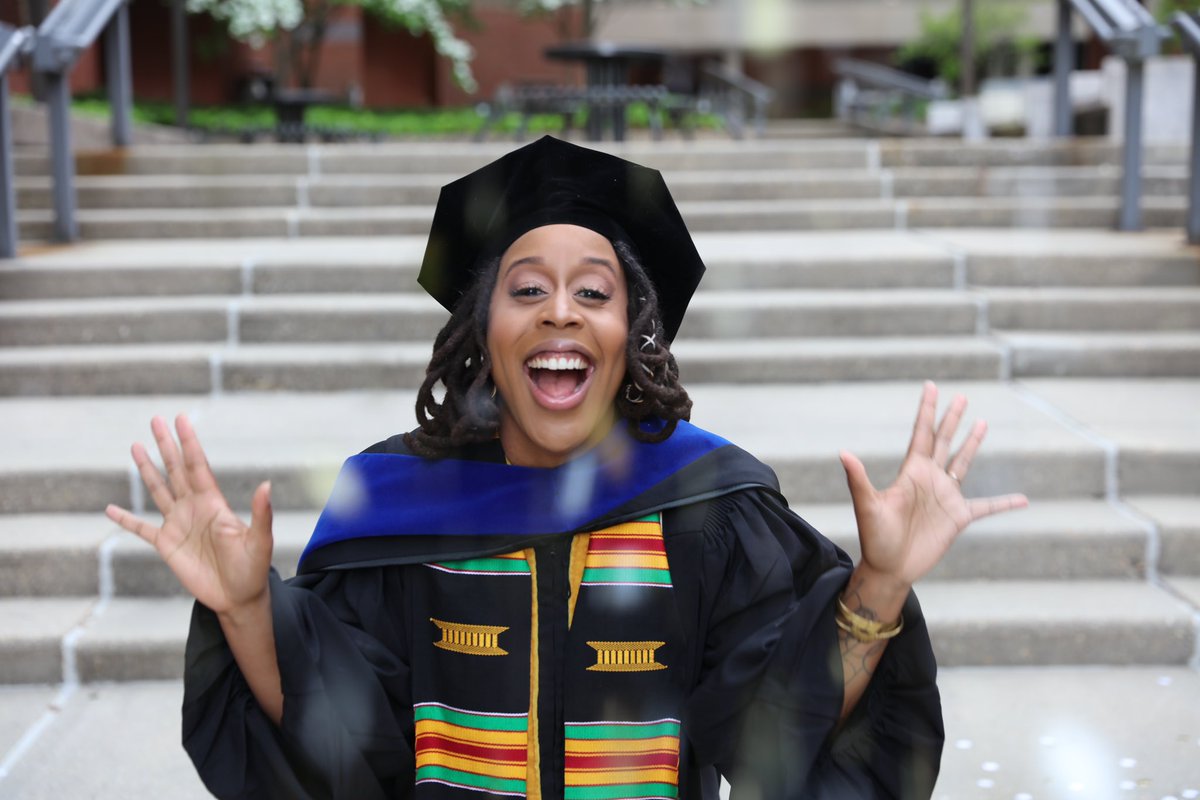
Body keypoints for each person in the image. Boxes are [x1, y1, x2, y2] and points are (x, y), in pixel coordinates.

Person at [105, 136, 1026, 800]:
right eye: (526, 289)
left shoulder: (708, 510)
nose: (560, 313)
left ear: (632, 337)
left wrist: (877, 587)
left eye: (594, 291)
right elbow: (338, 743)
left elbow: (781, 736)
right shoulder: (398, 510)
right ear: (484, 330)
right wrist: (247, 611)